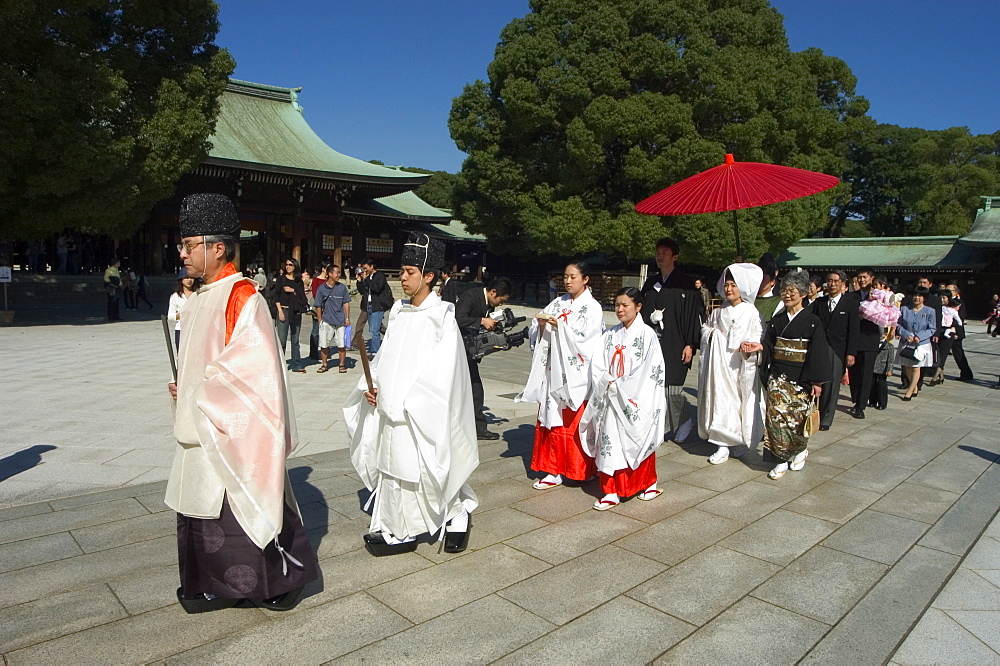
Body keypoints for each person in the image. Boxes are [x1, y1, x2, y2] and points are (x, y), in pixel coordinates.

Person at [166, 193, 318, 613]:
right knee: (199, 508)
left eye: (189, 244)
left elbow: (256, 370)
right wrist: (187, 386)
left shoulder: (241, 296)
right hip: (201, 420)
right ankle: (205, 583)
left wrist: (203, 391)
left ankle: (272, 585)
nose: (182, 253)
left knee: (235, 507)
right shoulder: (197, 295)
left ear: (217, 247)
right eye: (182, 244)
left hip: (229, 428)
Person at [344, 231, 478, 556]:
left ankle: (456, 513)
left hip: (418, 410)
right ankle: (398, 527)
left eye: (409, 272)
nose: (402, 278)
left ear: (428, 276)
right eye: (402, 271)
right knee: (395, 467)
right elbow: (386, 355)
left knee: (426, 468)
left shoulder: (442, 317)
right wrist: (372, 385)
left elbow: (444, 372)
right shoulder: (399, 313)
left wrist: (411, 402)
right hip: (391, 406)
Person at [517, 261, 603, 489]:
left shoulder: (592, 308)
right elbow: (538, 329)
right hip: (553, 369)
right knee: (551, 418)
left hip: (576, 373)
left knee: (575, 421)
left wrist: (561, 328)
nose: (567, 281)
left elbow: (589, 340)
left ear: (585, 279)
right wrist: (542, 324)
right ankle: (552, 469)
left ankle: (582, 468)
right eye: (565, 276)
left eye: (573, 277)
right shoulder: (557, 302)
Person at [579, 287, 666, 510]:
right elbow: (597, 364)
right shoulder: (609, 335)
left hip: (634, 398)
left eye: (625, 305)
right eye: (617, 304)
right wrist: (606, 381)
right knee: (611, 443)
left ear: (638, 307)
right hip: (610, 397)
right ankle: (611, 490)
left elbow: (650, 371)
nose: (620, 309)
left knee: (638, 438)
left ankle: (647, 482)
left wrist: (621, 387)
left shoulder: (647, 335)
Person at [760, 270, 832, 480]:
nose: (787, 294)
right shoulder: (778, 320)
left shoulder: (812, 321)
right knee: (776, 419)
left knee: (797, 419)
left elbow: (818, 351)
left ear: (802, 293)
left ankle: (800, 450)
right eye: (784, 290)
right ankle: (780, 459)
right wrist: (759, 347)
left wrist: (817, 380)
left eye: (791, 291)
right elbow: (769, 345)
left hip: (801, 377)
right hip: (778, 376)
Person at [697, 264, 764, 464]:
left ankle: (739, 439)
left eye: (733, 285)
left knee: (740, 402)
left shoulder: (751, 312)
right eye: (726, 285)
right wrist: (712, 335)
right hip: (719, 366)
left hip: (740, 365)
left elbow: (758, 335)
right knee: (720, 401)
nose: (728, 289)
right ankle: (722, 444)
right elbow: (705, 330)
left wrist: (750, 346)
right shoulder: (718, 312)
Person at [640, 238, 703, 442]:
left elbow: (694, 314)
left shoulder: (686, 284)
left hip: (677, 341)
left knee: (673, 389)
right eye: (658, 252)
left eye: (665, 252)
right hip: (654, 341)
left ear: (674, 256)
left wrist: (690, 343)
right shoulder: (651, 283)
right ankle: (664, 425)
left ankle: (684, 419)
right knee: (656, 387)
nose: (660, 256)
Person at [455, 276, 513, 440]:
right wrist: (481, 320)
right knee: (473, 390)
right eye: (501, 300)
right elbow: (458, 319)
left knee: (475, 391)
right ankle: (475, 427)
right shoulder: (470, 296)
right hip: (458, 351)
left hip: (470, 351)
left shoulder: (487, 303)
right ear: (493, 292)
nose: (501, 304)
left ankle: (477, 427)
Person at [813, 270, 859, 431]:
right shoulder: (819, 303)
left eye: (836, 281)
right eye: (830, 281)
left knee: (832, 385)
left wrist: (851, 352)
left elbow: (854, 330)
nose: (832, 284)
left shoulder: (850, 303)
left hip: (838, 348)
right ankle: (814, 414)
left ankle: (826, 418)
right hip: (819, 346)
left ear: (842, 284)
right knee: (817, 381)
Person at [847, 268, 880, 419]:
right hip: (853, 339)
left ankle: (861, 406)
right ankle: (855, 399)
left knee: (866, 374)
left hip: (869, 339)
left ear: (871, 278)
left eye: (865, 277)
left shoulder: (878, 296)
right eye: (859, 277)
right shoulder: (851, 296)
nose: (861, 280)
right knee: (854, 373)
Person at [897, 286, 937, 401]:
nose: (917, 298)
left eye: (920, 296)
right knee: (908, 367)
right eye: (915, 295)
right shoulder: (904, 309)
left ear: (924, 298)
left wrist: (919, 336)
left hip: (921, 343)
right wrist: (906, 334)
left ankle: (910, 390)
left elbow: (932, 328)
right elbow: (898, 325)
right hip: (907, 341)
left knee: (916, 367)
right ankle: (913, 386)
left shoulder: (930, 311)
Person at [270, 258, 308, 373]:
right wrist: (280, 312)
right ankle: (279, 365)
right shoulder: (281, 279)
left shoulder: (298, 281)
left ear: (295, 266)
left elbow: (302, 297)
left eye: (290, 265)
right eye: (286, 265)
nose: (288, 267)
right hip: (284, 310)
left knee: (295, 340)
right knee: (281, 340)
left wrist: (293, 290)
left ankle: (296, 363)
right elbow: (276, 296)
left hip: (295, 312)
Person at [315, 264, 351, 373]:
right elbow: (318, 305)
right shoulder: (321, 288)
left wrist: (347, 318)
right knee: (324, 344)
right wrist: (320, 320)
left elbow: (346, 303)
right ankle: (324, 364)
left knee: (341, 344)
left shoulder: (342, 287)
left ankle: (341, 364)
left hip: (340, 320)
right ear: (330, 274)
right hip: (327, 320)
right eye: (337, 273)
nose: (338, 275)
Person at [358, 258, 393, 356]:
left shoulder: (379, 276)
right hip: (368, 305)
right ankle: (384, 343)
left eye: (366, 268)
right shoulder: (368, 278)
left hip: (378, 305)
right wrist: (360, 281)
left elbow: (376, 288)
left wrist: (366, 280)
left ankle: (375, 352)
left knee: (374, 330)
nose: (365, 270)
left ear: (371, 266)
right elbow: (362, 291)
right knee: (372, 329)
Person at [928, 290, 962, 385]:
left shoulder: (952, 308)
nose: (942, 300)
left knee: (942, 355)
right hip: (937, 332)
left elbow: (958, 321)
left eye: (944, 298)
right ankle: (941, 376)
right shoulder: (936, 307)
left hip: (948, 333)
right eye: (940, 297)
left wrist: (954, 329)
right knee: (937, 355)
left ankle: (935, 377)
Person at [945, 284, 974, 381]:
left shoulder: (959, 302)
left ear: (955, 292)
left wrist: (955, 330)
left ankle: (966, 373)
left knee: (958, 353)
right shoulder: (945, 301)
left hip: (955, 331)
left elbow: (960, 317)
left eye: (950, 290)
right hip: (946, 330)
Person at [167, 274, 198, 348]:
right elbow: (170, 316)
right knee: (181, 356)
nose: (189, 280)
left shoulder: (198, 294)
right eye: (186, 278)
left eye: (191, 278)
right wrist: (182, 314)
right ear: (181, 279)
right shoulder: (175, 296)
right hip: (181, 329)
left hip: (196, 329)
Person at [753, 253, 782, 323]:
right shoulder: (749, 300)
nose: (760, 281)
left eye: (764, 278)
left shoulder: (778, 303)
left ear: (772, 281)